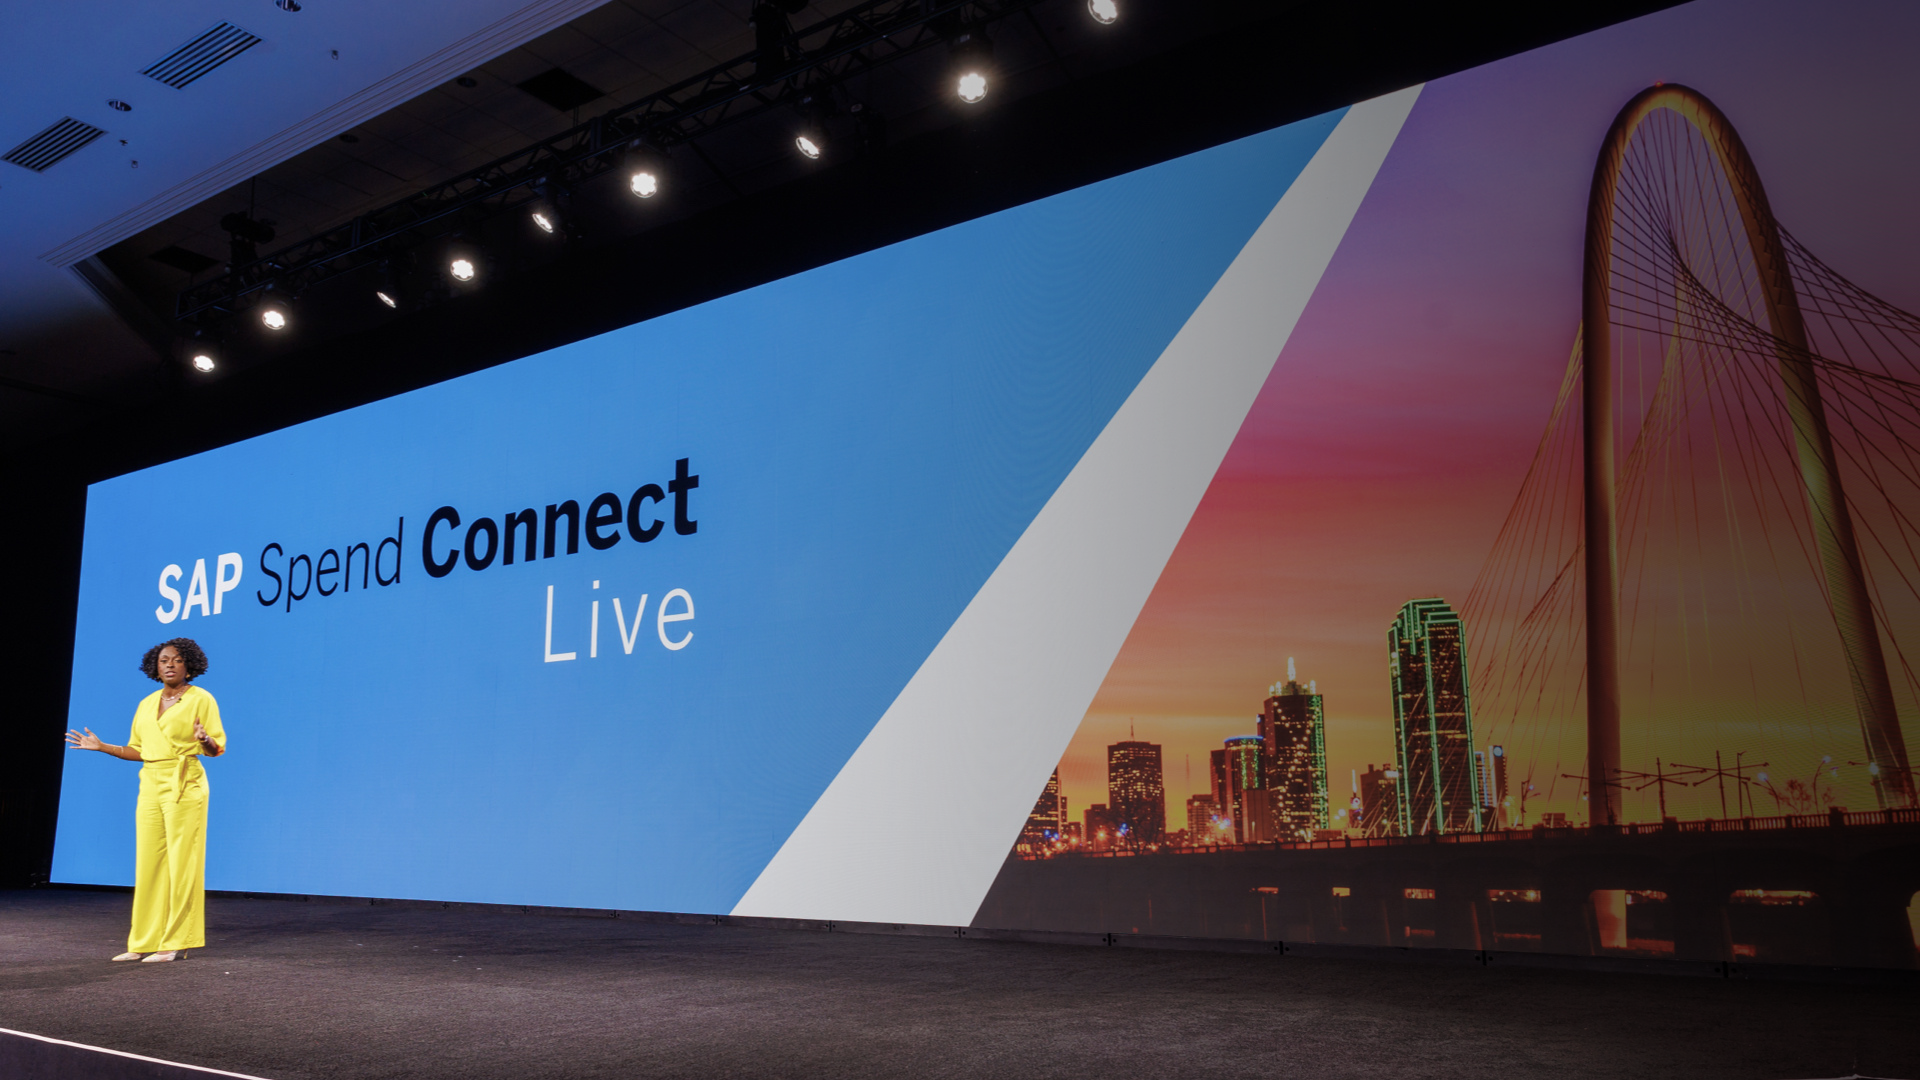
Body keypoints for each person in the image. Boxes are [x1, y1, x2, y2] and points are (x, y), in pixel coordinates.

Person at [66, 637, 226, 963]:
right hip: (150, 783)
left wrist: (204, 739)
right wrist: (103, 746)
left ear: (189, 666)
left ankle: (175, 942)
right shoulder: (146, 703)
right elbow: (138, 750)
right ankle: (143, 940)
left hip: (185, 782)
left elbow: (216, 749)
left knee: (182, 864)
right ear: (155, 665)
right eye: (164, 659)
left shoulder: (201, 699)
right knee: (149, 863)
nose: (169, 664)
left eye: (177, 660)